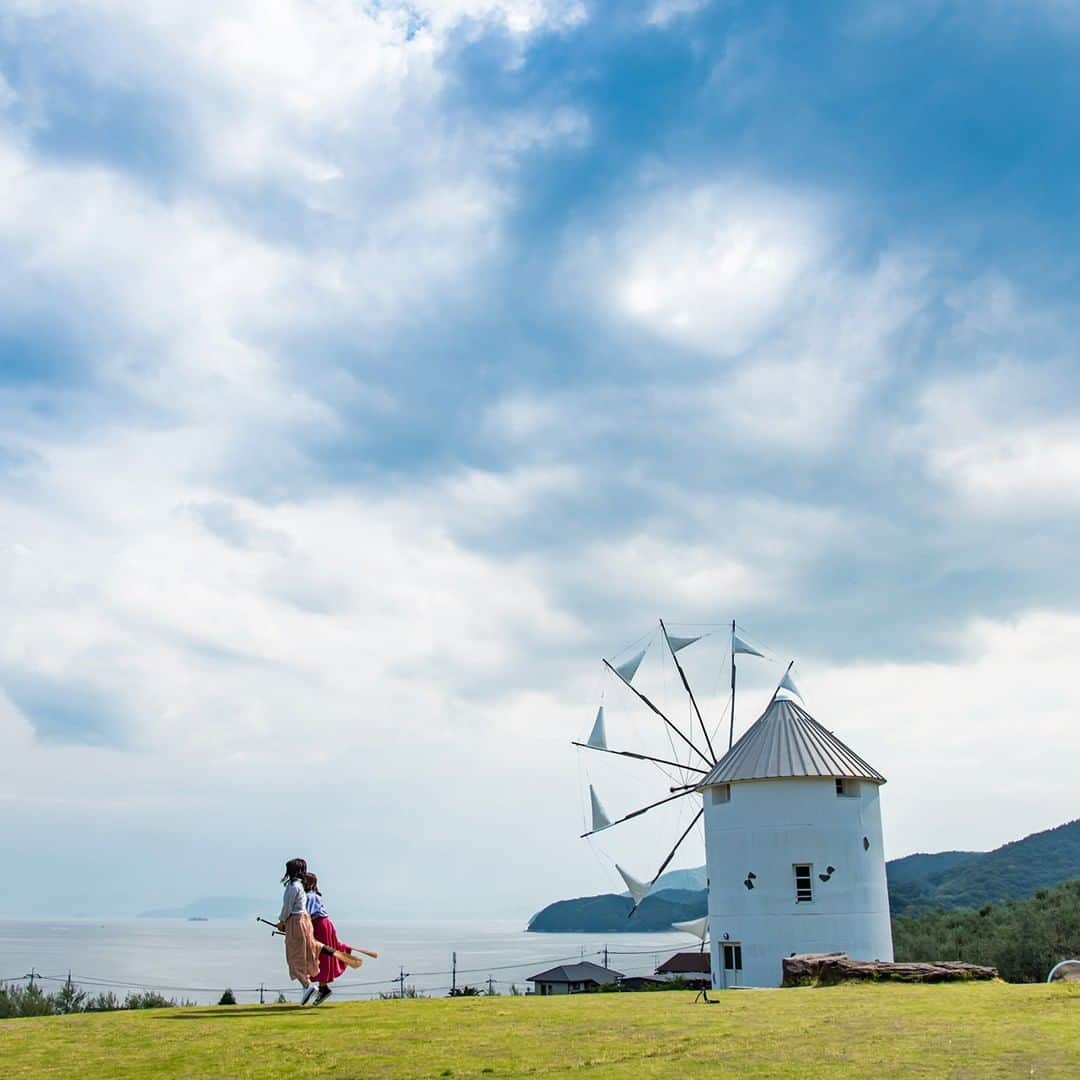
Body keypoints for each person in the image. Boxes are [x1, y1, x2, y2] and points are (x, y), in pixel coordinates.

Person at [303, 871, 357, 1006]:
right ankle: (322, 988)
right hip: (320, 925)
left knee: (320, 956)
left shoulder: (310, 897)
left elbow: (306, 915)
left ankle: (319, 987)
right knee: (318, 955)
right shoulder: (312, 896)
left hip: (319, 926)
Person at [276, 857, 321, 1004]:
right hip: (303, 921)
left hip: (295, 921)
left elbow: (287, 907)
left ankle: (307, 986)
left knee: (294, 957)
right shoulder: (299, 886)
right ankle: (306, 986)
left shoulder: (293, 887)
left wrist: (282, 921)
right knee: (302, 956)